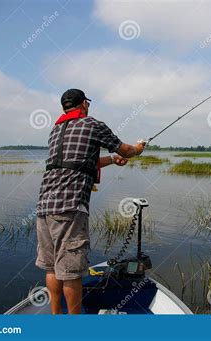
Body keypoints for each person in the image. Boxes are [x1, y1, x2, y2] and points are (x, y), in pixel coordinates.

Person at [35, 89, 145, 314]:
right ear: (84, 104)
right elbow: (127, 149)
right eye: (88, 103)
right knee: (72, 273)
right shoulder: (93, 125)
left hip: (44, 207)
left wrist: (113, 161)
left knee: (51, 268)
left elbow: (80, 161)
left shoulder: (56, 131)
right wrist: (138, 148)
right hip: (69, 208)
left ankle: (57, 319)